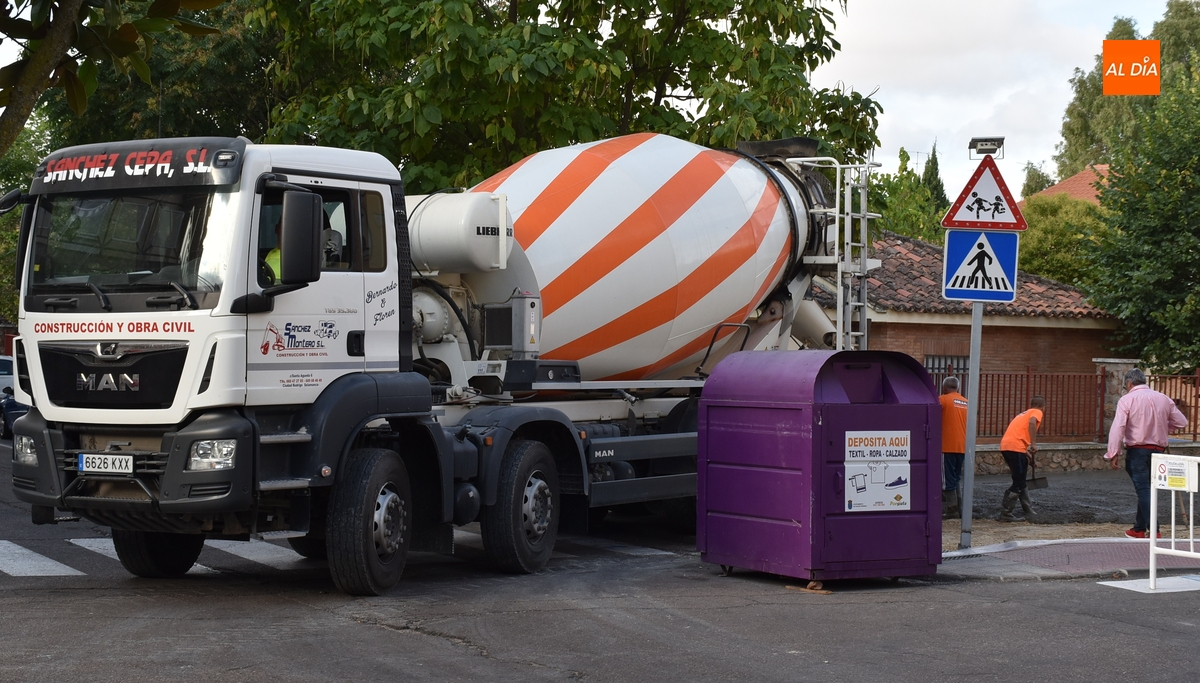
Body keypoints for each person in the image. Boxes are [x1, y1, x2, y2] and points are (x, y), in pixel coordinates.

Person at [1104, 368, 1188, 539]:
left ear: (1129, 383)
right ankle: (1139, 528)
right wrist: (1165, 427)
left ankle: (1154, 530)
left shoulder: (1127, 400)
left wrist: (1113, 452)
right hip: (1159, 451)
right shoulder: (1163, 398)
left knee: (1144, 490)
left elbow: (1118, 427)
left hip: (1138, 451)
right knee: (1147, 490)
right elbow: (1182, 422)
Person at [998, 396, 1044, 522]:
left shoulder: (1023, 414)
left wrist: (1029, 457)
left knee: (1021, 479)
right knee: (1018, 482)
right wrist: (1033, 444)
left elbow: (1018, 439)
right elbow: (1032, 423)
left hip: (1008, 447)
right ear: (1043, 407)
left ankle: (1028, 509)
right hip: (1014, 448)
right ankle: (1006, 513)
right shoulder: (1037, 412)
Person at [940, 377, 969, 518]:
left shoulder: (942, 400)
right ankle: (960, 508)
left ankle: (952, 509)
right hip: (962, 446)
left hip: (947, 446)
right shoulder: (966, 402)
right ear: (958, 388)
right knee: (956, 477)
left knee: (947, 479)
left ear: (944, 388)